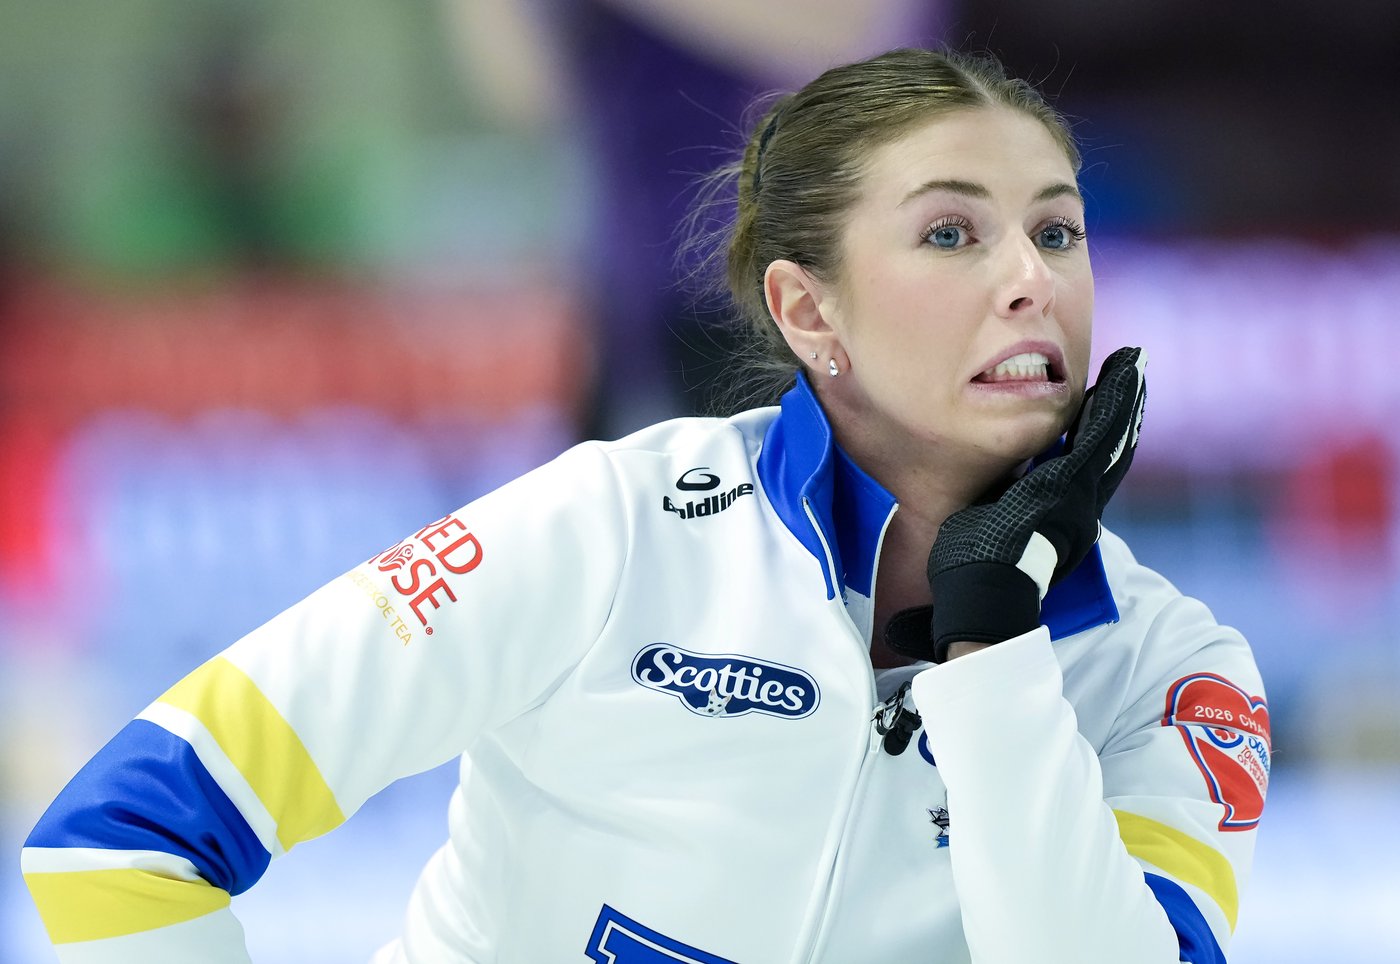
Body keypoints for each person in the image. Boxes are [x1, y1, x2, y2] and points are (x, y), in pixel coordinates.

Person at [21, 48, 1267, 963]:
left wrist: (994, 648)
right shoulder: (608, 527)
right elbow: (122, 835)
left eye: (1057, 233)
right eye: (951, 234)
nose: (1026, 282)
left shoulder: (1169, 668)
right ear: (805, 311)